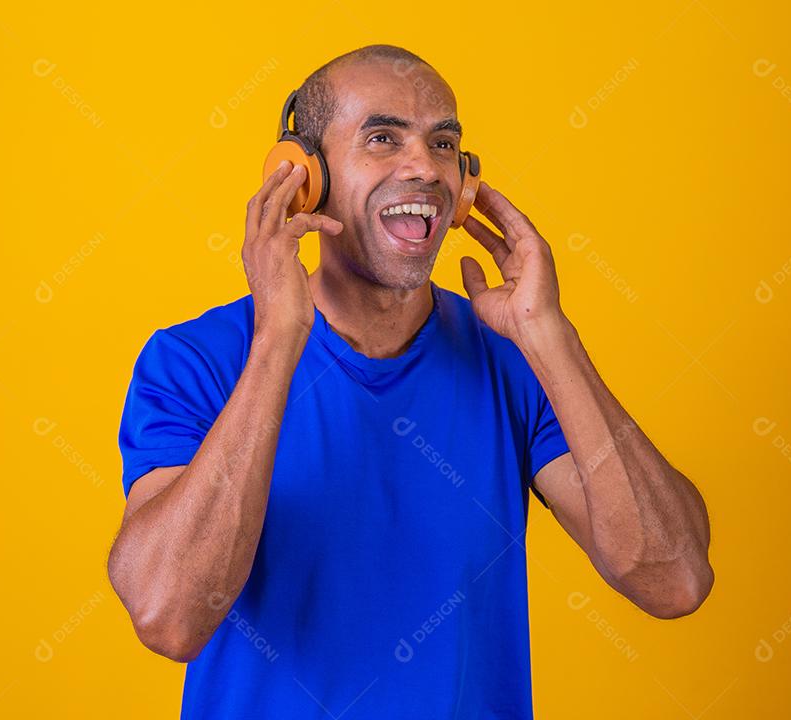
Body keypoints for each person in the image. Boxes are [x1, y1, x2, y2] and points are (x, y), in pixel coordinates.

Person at [108, 44, 713, 719]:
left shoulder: (512, 360)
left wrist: (549, 337)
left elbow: (674, 578)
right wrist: (279, 338)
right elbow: (169, 616)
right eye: (383, 137)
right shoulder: (196, 360)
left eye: (444, 143)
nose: (425, 167)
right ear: (302, 177)